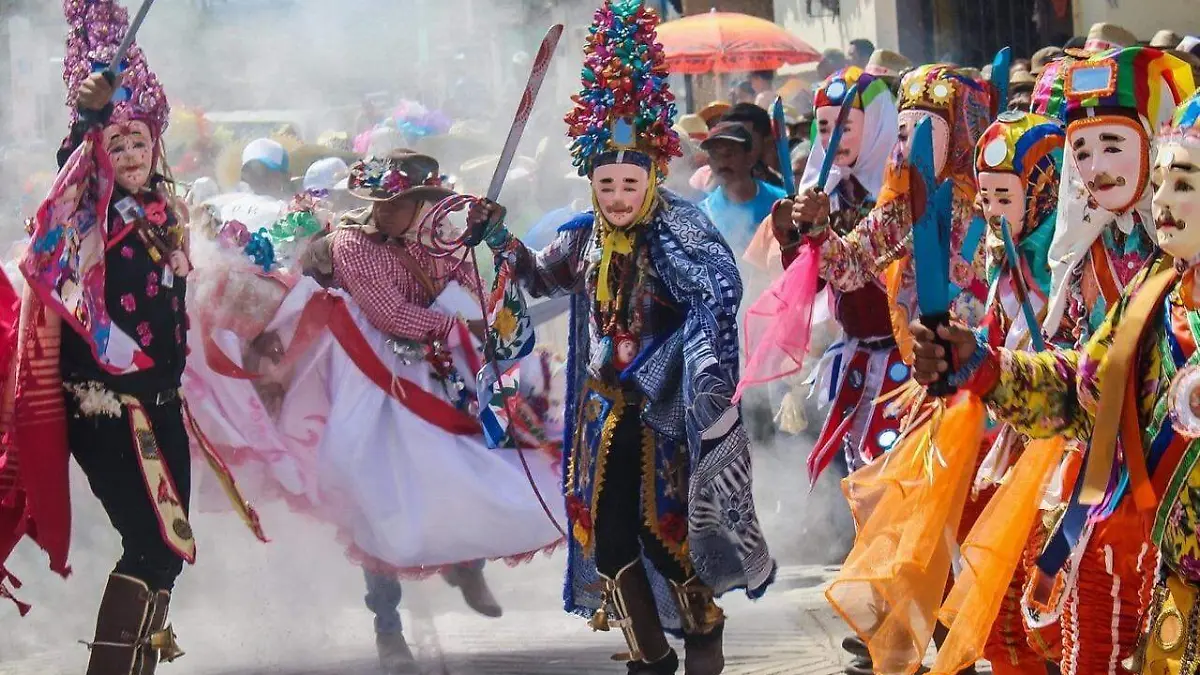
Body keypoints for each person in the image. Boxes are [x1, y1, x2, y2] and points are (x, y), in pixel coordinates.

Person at [467, 2, 775, 672]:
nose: (616, 196)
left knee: (666, 536)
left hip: (664, 413)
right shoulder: (583, 238)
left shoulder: (680, 230)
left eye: (629, 183)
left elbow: (719, 291)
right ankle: (650, 655)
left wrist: (681, 363)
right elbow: (538, 278)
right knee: (606, 544)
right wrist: (496, 236)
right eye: (605, 183)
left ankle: (703, 629)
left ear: (652, 178)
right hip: (602, 415)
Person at [0, 1, 265, 672]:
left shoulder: (166, 210)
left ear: (156, 142)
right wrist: (89, 118)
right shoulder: (88, 210)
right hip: (108, 407)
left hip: (162, 403)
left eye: (137, 141)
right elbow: (75, 167)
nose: (128, 154)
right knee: (149, 544)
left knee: (168, 551)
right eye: (115, 145)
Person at [905, 87, 1200, 675]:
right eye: (1161, 180)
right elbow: (1083, 391)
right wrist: (981, 364)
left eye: (1185, 183)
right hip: (1172, 583)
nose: (1162, 200)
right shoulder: (1155, 292)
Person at [1025, 46, 1193, 675]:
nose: (1095, 168)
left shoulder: (1173, 258)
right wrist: (984, 368)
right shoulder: (1098, 258)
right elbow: (1081, 371)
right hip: (1105, 468)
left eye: (1114, 145)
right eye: (1082, 150)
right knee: (1093, 632)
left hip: (1168, 487)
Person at [699, 122, 787, 253]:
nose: (722, 163)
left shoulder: (781, 203)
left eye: (730, 154)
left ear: (749, 159)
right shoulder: (703, 213)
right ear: (709, 162)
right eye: (715, 155)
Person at [721, 102, 785, 186]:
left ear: (766, 140)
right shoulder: (715, 182)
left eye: (744, 137)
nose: (735, 145)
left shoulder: (780, 186)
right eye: (728, 139)